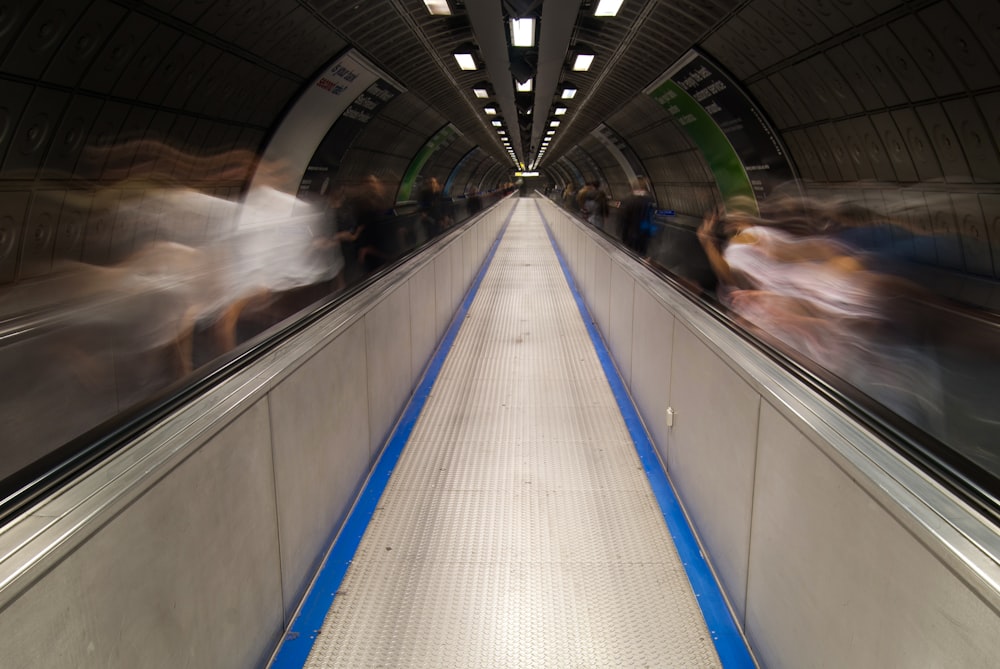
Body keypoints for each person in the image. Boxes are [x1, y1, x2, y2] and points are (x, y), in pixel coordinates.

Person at [620, 177, 656, 255]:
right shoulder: (648, 201)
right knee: (640, 255)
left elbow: (623, 219)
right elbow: (649, 220)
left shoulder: (628, 200)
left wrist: (623, 235)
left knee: (630, 256)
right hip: (643, 236)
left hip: (630, 235)